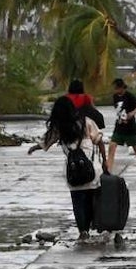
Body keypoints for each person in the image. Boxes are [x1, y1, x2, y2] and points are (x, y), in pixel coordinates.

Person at [35, 95, 107, 240]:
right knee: (92, 199)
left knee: (78, 202)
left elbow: (45, 143)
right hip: (92, 169)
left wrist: (34, 148)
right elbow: (99, 141)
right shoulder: (86, 122)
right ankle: (93, 225)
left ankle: (83, 231)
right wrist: (105, 161)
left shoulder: (59, 128)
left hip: (73, 171)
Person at [106, 78, 136, 180]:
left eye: (116, 88)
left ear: (121, 88)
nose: (114, 90)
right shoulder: (115, 97)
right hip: (119, 127)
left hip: (130, 128)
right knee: (111, 147)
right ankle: (108, 171)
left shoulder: (129, 96)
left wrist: (132, 113)